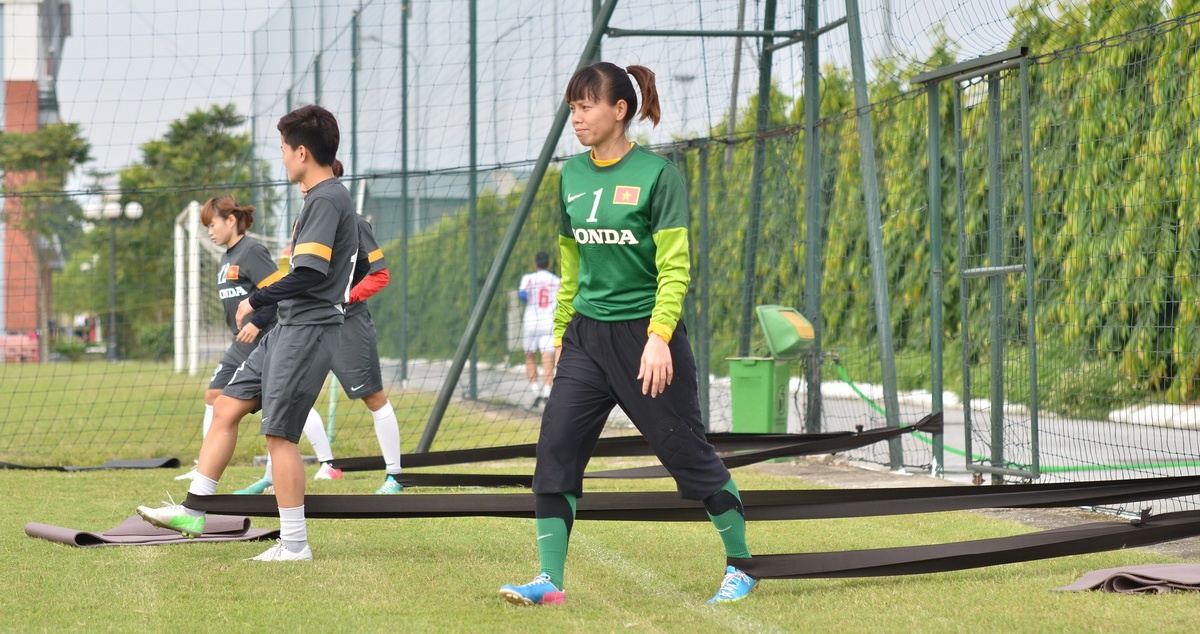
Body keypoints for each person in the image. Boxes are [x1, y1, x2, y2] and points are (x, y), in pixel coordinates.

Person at [498, 63, 757, 606]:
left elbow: (675, 267)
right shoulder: (571, 176)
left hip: (646, 340)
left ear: (619, 110)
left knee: (688, 455)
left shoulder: (658, 176)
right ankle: (549, 581)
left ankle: (742, 566)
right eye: (572, 108)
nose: (577, 118)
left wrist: (660, 336)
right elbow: (572, 263)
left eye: (586, 106)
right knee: (556, 450)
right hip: (586, 339)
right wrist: (561, 334)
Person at [137, 104, 358, 562]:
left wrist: (257, 301)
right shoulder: (318, 198)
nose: (283, 157)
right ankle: (193, 512)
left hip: (308, 329)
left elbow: (310, 273)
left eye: (283, 148)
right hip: (288, 327)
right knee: (226, 406)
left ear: (301, 152)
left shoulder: (326, 199)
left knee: (279, 436)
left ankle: (294, 544)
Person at [236, 165, 403, 495]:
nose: (301, 184)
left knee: (373, 397)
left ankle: (394, 476)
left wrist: (344, 297)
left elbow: (379, 274)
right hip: (305, 323)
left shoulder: (354, 222)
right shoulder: (306, 219)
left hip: (348, 323)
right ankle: (281, 475)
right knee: (282, 395)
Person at [174, 196, 342, 487]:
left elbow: (277, 291)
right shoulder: (226, 257)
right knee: (215, 395)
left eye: (212, 225)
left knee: (284, 400)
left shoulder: (252, 251)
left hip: (265, 338)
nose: (209, 231)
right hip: (240, 342)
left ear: (231, 221)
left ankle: (328, 463)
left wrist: (257, 322)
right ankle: (204, 467)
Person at [517, 251, 561, 406]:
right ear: (548, 264)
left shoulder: (528, 278)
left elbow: (522, 296)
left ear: (535, 264)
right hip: (548, 322)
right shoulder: (556, 280)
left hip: (531, 322)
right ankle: (547, 392)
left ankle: (535, 391)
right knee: (547, 357)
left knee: (529, 356)